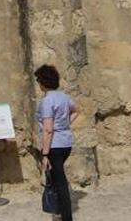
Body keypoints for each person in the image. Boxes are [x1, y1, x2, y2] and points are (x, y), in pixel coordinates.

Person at [35, 64, 78, 221]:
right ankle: (58, 212)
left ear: (43, 82)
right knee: (55, 179)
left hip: (54, 146)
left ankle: (65, 217)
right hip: (66, 143)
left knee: (59, 183)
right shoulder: (64, 97)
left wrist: (45, 154)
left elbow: (48, 130)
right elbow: (76, 110)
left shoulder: (47, 101)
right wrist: (65, 125)